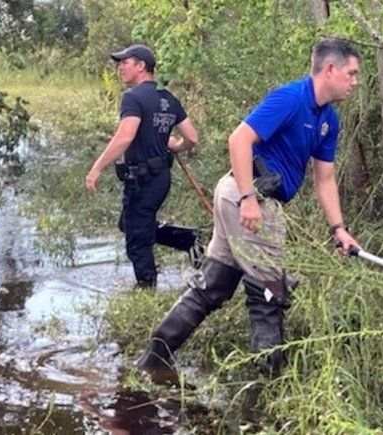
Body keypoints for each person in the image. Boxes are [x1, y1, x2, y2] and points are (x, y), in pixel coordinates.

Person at [135, 38, 362, 380]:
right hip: (249, 198)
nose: (355, 82)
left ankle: (152, 361)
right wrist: (249, 199)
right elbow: (239, 139)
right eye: (351, 73)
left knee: (213, 285)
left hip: (246, 198)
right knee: (269, 294)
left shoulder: (328, 119)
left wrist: (338, 229)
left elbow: (325, 178)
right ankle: (270, 387)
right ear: (330, 69)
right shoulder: (290, 98)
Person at [85, 44, 204, 289]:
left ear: (141, 66)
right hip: (161, 179)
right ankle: (188, 239)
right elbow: (192, 138)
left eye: (125, 62)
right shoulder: (168, 97)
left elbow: (125, 136)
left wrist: (97, 168)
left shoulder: (133, 97)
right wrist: (175, 144)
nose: (120, 68)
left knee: (137, 238)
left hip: (143, 180)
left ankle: (146, 288)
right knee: (129, 224)